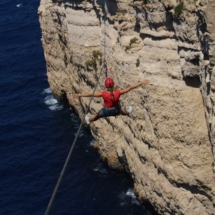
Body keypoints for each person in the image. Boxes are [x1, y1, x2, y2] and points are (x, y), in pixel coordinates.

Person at [73, 78, 149, 124]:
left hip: (106, 111)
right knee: (121, 111)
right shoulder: (118, 92)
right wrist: (141, 82)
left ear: (106, 86)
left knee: (98, 115)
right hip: (116, 110)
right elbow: (130, 88)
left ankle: (88, 120)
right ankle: (128, 113)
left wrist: (79, 95)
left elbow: (90, 94)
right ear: (113, 85)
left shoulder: (103, 94)